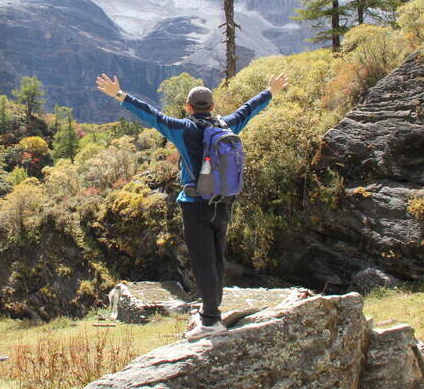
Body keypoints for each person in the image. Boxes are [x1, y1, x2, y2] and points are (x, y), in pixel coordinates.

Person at [95, 72, 290, 340]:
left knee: (202, 262)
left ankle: (210, 321)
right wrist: (270, 91)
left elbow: (152, 115)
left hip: (194, 204)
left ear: (188, 107)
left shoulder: (182, 129)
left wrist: (119, 95)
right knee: (217, 260)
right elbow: (248, 110)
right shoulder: (227, 125)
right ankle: (212, 311)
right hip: (223, 202)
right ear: (211, 106)